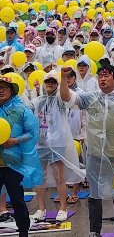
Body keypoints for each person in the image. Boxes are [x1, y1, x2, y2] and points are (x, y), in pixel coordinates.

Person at [59, 64, 114, 237]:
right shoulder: (90, 98)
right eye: (100, 76)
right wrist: (63, 78)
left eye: (106, 76)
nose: (102, 79)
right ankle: (94, 230)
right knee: (94, 195)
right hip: (95, 154)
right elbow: (66, 97)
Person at [28, 71, 84, 223]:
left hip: (58, 143)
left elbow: (67, 96)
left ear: (57, 84)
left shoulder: (60, 99)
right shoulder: (37, 101)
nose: (50, 84)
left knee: (60, 176)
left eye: (53, 82)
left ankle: (63, 208)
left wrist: (63, 79)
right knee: (40, 177)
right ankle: (40, 208)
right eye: (48, 82)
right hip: (41, 143)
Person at [0, 76, 42, 237]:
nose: (1, 90)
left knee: (17, 200)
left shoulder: (21, 110)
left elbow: (32, 133)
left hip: (13, 164)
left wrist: (15, 140)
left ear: (12, 90)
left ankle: (23, 231)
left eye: (5, 87)